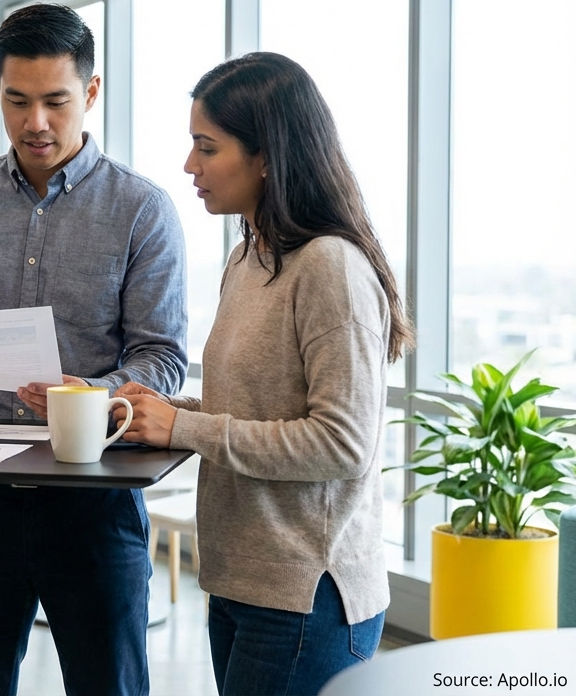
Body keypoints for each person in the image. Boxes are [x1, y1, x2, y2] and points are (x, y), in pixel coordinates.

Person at [0, 3, 188, 696]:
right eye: (17, 101)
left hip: (94, 498)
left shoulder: (141, 209)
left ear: (89, 93)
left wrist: (88, 395)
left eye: (56, 101)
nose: (36, 122)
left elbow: (163, 357)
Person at [115, 52, 413, 696]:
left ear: (267, 155)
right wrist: (163, 410)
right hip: (240, 580)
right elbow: (252, 402)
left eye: (206, 147)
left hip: (306, 595)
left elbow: (340, 442)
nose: (189, 167)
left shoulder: (330, 266)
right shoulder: (248, 256)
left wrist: (184, 429)